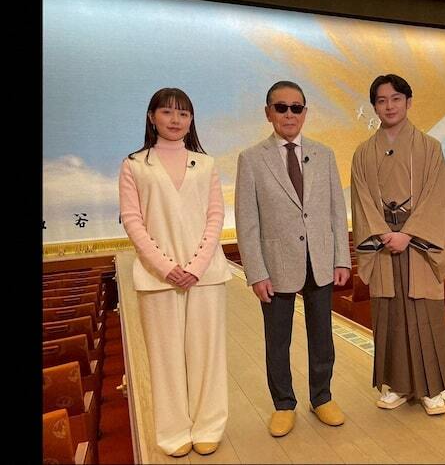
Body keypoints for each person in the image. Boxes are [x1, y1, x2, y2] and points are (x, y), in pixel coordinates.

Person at [119, 87, 232, 457]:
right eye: (167, 112)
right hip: (157, 278)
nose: (175, 120)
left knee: (207, 354)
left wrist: (195, 266)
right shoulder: (135, 165)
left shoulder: (206, 164)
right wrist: (167, 267)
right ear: (152, 117)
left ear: (191, 120)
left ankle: (209, 425)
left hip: (206, 275)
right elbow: (133, 221)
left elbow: (215, 216)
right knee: (165, 358)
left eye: (183, 113)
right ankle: (173, 432)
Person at [235, 81, 351, 437]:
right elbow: (247, 221)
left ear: (305, 112)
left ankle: (322, 397)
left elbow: (336, 211)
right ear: (268, 112)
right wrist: (256, 272)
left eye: (296, 108)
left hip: (320, 260)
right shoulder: (251, 159)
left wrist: (342, 258)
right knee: (277, 341)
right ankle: (283, 403)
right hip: (275, 264)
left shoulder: (324, 154)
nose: (289, 114)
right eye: (281, 107)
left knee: (322, 336)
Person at [350, 74, 445, 415]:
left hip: (419, 243)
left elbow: (437, 197)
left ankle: (431, 389)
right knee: (390, 314)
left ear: (408, 102)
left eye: (396, 98)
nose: (389, 106)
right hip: (383, 242)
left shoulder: (430, 148)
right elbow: (362, 200)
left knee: (424, 312)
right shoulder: (363, 153)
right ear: (374, 107)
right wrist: (384, 234)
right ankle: (396, 385)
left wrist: (408, 234)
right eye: (381, 101)